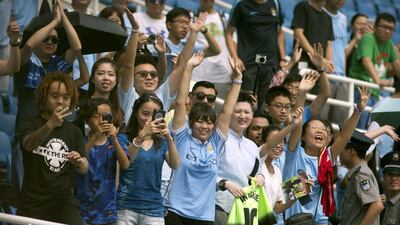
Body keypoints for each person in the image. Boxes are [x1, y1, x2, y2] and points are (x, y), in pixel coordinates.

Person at [164, 52, 242, 224]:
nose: (204, 126)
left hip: (204, 216)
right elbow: (180, 101)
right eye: (199, 122)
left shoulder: (215, 141)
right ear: (190, 123)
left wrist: (237, 80)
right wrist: (189, 68)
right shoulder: (182, 137)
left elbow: (226, 112)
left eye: (208, 123)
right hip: (176, 211)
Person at [282, 86, 369, 224]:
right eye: (314, 128)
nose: (320, 131)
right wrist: (302, 93)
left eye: (323, 130)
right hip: (289, 219)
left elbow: (345, 136)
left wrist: (358, 110)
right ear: (303, 137)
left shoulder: (327, 157)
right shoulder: (294, 153)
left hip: (317, 220)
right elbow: (297, 124)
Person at [17, 72, 88, 224]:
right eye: (54, 96)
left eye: (66, 97)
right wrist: (50, 124)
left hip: (62, 200)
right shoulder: (30, 123)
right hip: (32, 201)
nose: (60, 101)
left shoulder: (74, 131)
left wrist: (79, 162)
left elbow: (84, 168)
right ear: (44, 97)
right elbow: (28, 145)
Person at [118, 12, 208, 121]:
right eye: (143, 74)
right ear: (132, 78)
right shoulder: (127, 95)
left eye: (153, 74)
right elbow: (128, 65)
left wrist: (194, 32)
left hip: (156, 138)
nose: (149, 77)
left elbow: (181, 65)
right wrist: (135, 30)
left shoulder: (161, 97)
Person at [16, 0, 88, 127]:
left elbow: (77, 47)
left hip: (54, 125)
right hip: (28, 125)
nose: (50, 42)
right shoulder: (27, 59)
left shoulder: (57, 63)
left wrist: (63, 17)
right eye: (45, 39)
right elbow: (29, 45)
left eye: (54, 40)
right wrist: (54, 22)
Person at [116, 93, 179, 225]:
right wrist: (141, 136)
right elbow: (125, 163)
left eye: (155, 114)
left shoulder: (161, 142)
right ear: (135, 113)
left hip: (154, 207)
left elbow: (175, 164)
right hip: (126, 205)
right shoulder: (123, 138)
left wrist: (168, 138)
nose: (149, 119)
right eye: (145, 113)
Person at [75, 98, 130, 225]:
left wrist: (114, 139)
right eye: (96, 116)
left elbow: (125, 164)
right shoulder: (82, 141)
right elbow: (79, 158)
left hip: (107, 211)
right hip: (83, 209)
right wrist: (95, 138)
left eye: (106, 116)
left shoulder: (117, 141)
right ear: (87, 119)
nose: (101, 120)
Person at [214, 92, 265, 225]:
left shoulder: (252, 146)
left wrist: (260, 177)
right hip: (217, 204)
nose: (243, 116)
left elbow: (257, 170)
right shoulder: (218, 138)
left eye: (247, 112)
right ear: (230, 113)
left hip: (243, 207)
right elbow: (206, 169)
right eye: (238, 111)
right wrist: (223, 182)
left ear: (252, 115)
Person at [226, 0, 284, 109]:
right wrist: (235, 57)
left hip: (270, 65)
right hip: (247, 65)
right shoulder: (241, 3)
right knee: (245, 105)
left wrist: (283, 59)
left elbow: (280, 32)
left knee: (265, 108)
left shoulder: (275, 3)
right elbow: (229, 33)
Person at [349, 13, 400, 129]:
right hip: (361, 90)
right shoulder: (368, 38)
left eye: (391, 29)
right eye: (384, 27)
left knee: (370, 130)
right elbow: (366, 61)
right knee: (360, 129)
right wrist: (378, 80)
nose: (387, 31)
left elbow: (397, 65)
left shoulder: (389, 44)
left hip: (375, 93)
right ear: (375, 27)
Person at [259, 108, 303, 214]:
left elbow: (277, 208)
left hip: (267, 221)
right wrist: (293, 124)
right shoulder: (257, 159)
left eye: (282, 141)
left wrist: (299, 191)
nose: (279, 145)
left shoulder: (277, 170)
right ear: (263, 142)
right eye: (276, 141)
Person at [339, 130, 384, 225]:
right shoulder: (358, 172)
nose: (339, 153)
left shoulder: (361, 174)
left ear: (351, 151)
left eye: (342, 149)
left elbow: (377, 205)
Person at [192, 0, 232, 99]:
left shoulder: (225, 18)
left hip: (222, 76)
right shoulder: (191, 16)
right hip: (196, 74)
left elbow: (233, 44)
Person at [322, 0, 350, 125]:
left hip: (342, 77)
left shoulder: (344, 18)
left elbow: (343, 49)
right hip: (325, 74)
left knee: (339, 124)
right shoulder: (319, 13)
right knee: (320, 119)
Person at [292, 0, 335, 73]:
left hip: (319, 67)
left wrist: (328, 62)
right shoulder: (303, 6)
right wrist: (318, 57)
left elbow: (329, 44)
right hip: (302, 62)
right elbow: (298, 34)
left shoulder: (327, 17)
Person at [380, 151, 400, 225]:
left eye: (398, 175)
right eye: (390, 174)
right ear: (383, 178)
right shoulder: (378, 202)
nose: (394, 178)